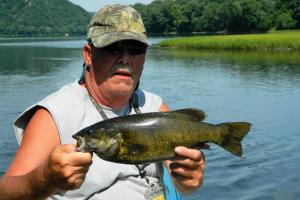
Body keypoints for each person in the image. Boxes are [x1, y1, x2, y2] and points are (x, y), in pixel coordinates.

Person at [1, 4, 205, 200]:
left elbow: (182, 180)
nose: (125, 58)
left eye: (135, 48)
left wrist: (188, 180)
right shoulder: (54, 114)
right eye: (113, 47)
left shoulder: (153, 106)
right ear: (88, 55)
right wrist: (46, 178)